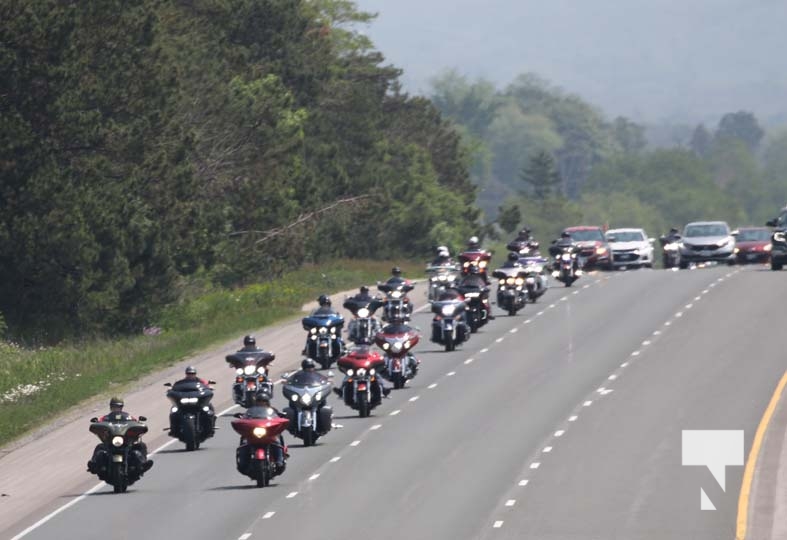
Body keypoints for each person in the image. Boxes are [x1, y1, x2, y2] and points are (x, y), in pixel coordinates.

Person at [87, 397, 153, 474]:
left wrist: (139, 425)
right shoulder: (105, 418)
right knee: (99, 447)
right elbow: (99, 423)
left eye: (118, 407)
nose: (116, 409)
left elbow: (136, 422)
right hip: (110, 441)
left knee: (141, 446)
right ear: (111, 407)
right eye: (114, 407)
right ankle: (94, 464)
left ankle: (143, 463)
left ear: (121, 407)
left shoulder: (128, 417)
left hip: (126, 441)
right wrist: (97, 424)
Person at [238, 392, 288, 470]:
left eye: (264, 401)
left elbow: (278, 418)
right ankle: (243, 463)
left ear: (267, 402)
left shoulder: (273, 410)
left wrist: (281, 417)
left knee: (277, 441)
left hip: (269, 434)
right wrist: (242, 418)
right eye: (259, 400)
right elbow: (245, 418)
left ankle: (279, 461)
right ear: (256, 401)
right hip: (253, 434)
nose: (261, 402)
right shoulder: (251, 411)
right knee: (244, 442)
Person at [170, 366, 216, 434]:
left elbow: (206, 386)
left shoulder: (201, 381)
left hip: (197, 401)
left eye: (192, 373)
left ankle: (211, 426)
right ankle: (174, 429)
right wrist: (171, 389)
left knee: (209, 406)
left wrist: (209, 387)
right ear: (186, 374)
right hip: (185, 401)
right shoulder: (181, 382)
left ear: (195, 374)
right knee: (174, 409)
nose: (190, 375)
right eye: (189, 373)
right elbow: (175, 387)